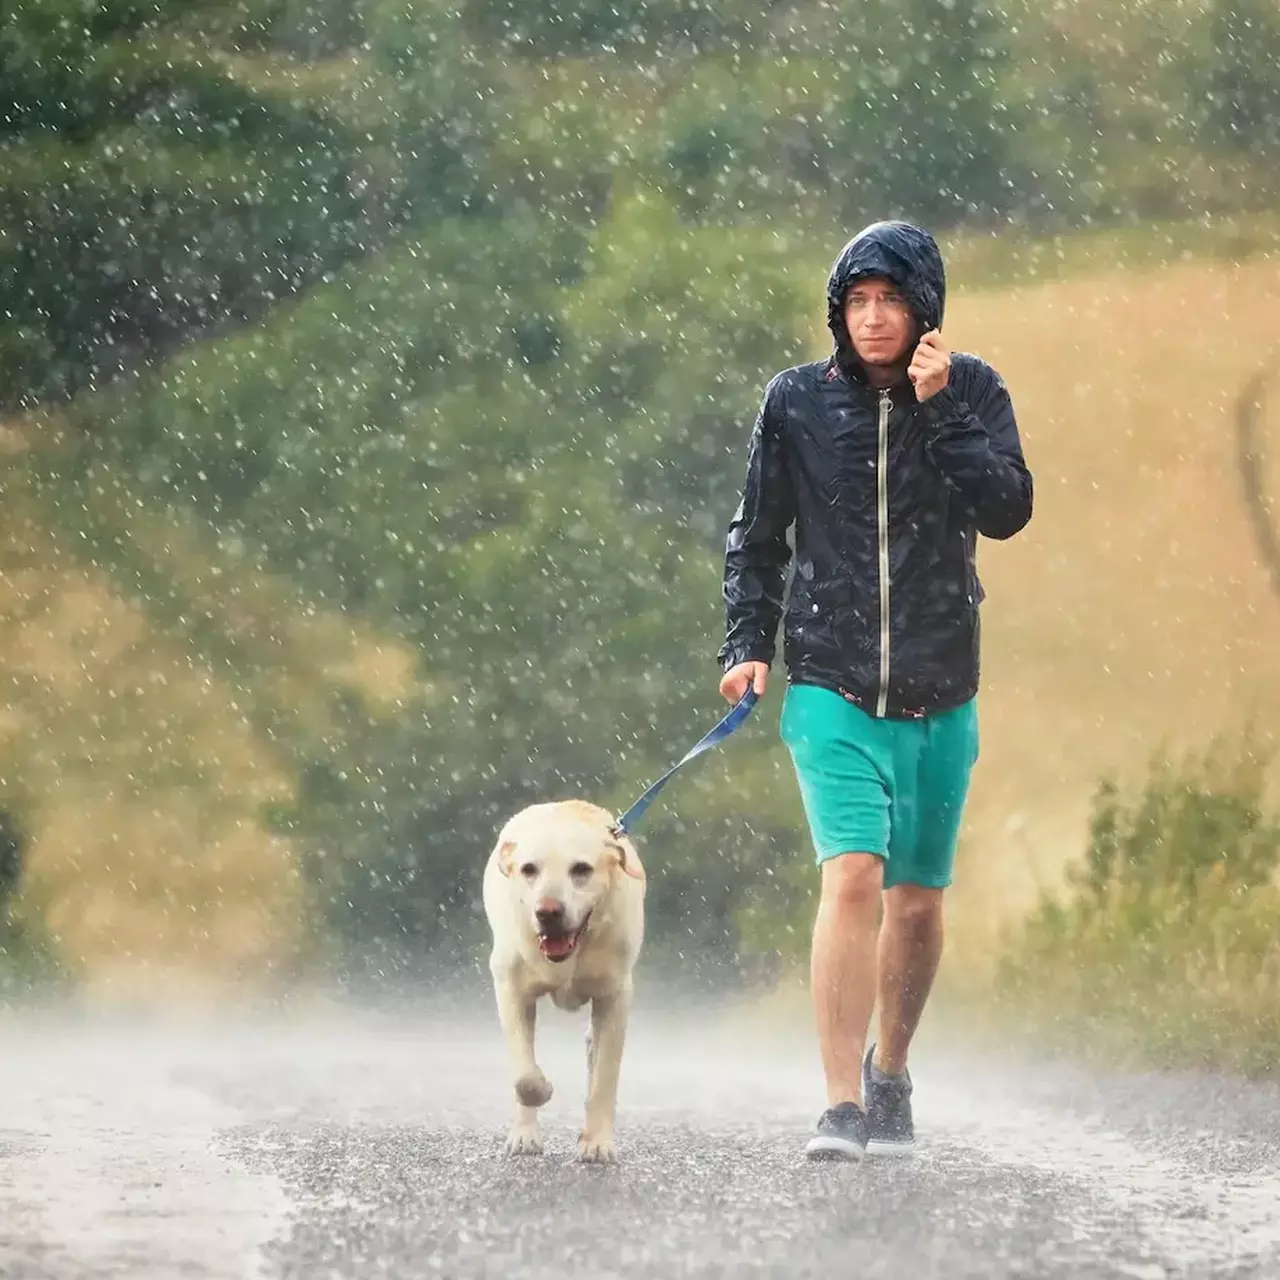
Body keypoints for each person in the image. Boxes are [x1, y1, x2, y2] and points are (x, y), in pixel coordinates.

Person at [716, 220, 1033, 1160]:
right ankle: (841, 1101)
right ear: (837, 313)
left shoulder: (973, 390)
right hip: (830, 683)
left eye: (892, 300)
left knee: (919, 901)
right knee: (851, 875)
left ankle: (890, 1069)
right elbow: (757, 535)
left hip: (942, 685)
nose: (874, 318)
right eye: (857, 301)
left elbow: (1008, 510)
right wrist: (748, 643)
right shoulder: (797, 404)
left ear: (925, 308)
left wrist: (941, 411)